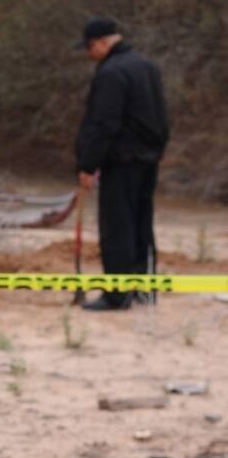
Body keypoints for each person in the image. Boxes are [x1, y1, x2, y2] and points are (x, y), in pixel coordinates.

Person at [74, 17, 168, 311]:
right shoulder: (147, 67)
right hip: (148, 160)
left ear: (102, 42)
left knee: (117, 228)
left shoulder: (112, 73)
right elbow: (162, 118)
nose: (89, 54)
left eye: (89, 48)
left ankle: (117, 294)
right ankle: (144, 289)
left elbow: (104, 124)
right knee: (141, 224)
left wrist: (88, 165)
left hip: (121, 162)